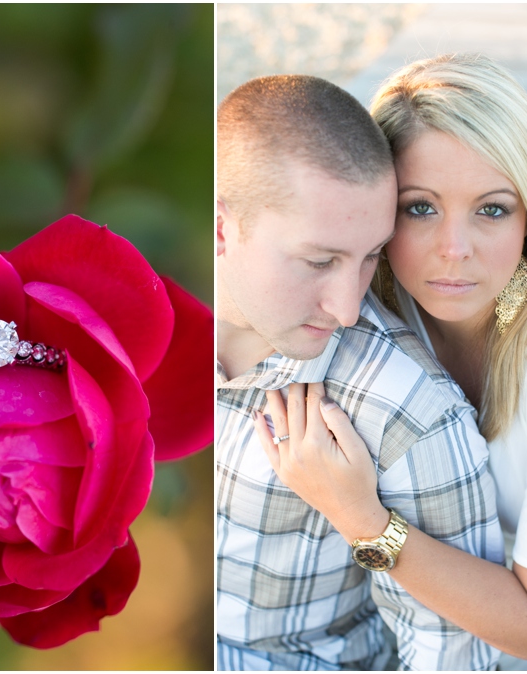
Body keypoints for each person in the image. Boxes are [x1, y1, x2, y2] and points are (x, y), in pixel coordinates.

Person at [259, 54, 527, 671]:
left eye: (492, 209)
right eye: (420, 207)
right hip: (442, 622)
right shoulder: (374, 295)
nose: (454, 250)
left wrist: (361, 518)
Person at [216, 73, 506, 670]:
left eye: (370, 255)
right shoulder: (139, 318)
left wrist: (365, 520)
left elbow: (451, 649)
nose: (347, 307)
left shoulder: (405, 409)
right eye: (319, 261)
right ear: (221, 228)